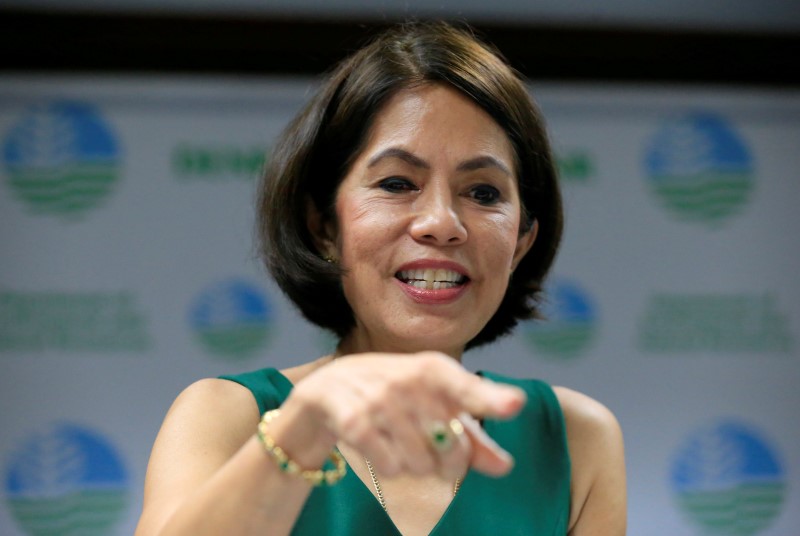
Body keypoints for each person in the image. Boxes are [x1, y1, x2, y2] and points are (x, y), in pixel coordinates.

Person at [135, 21, 626, 536]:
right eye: (396, 183)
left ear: (522, 241)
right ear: (324, 226)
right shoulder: (224, 416)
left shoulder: (575, 439)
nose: (441, 223)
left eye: (483, 193)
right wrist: (303, 431)